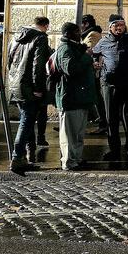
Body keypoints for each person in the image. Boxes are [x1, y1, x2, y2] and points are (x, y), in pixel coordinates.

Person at [93, 14, 128, 164]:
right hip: (109, 85)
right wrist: (95, 63)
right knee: (111, 118)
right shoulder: (103, 41)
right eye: (116, 25)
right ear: (110, 27)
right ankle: (114, 150)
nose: (119, 28)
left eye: (121, 25)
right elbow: (94, 54)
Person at [6, 16, 52, 172]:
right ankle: (17, 157)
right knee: (26, 121)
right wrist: (38, 88)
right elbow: (37, 66)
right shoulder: (40, 38)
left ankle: (27, 154)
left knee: (27, 120)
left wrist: (13, 81)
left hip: (15, 85)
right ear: (45, 26)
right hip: (29, 87)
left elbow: (8, 61)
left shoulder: (16, 37)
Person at [54, 22, 96, 171]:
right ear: (68, 34)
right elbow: (71, 68)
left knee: (78, 134)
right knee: (69, 134)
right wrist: (87, 57)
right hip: (70, 97)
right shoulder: (65, 49)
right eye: (77, 32)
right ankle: (68, 161)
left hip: (80, 97)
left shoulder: (74, 47)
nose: (80, 34)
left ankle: (76, 159)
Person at [80, 14, 107, 135]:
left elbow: (90, 51)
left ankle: (103, 124)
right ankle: (77, 125)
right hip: (90, 71)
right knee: (91, 98)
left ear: (86, 24)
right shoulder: (87, 35)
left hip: (93, 72)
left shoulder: (93, 34)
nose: (79, 27)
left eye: (81, 24)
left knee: (96, 99)